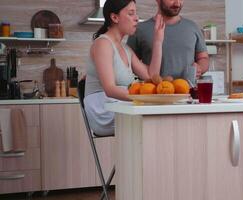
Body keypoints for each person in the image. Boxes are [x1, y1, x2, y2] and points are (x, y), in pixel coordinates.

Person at [84, 0, 165, 136]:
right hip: (103, 110)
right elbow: (110, 89)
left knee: (158, 119)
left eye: (136, 13)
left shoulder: (126, 49)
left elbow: (151, 76)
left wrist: (158, 41)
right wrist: (145, 98)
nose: (137, 18)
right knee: (157, 121)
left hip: (119, 106)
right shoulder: (103, 44)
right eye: (131, 13)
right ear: (115, 17)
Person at [127, 0, 209, 80]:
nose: (177, 3)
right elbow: (128, 63)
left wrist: (200, 68)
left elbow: (204, 58)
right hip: (151, 92)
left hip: (187, 92)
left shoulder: (192, 27)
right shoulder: (139, 29)